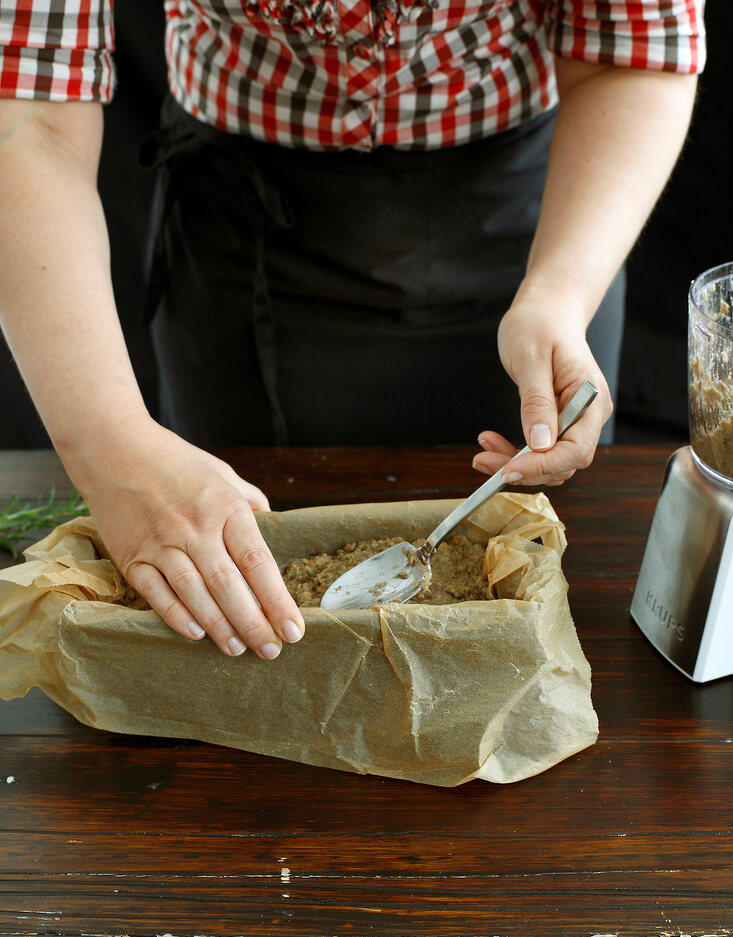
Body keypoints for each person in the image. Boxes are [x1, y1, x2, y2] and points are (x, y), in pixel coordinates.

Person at [0, 0, 703, 660]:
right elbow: (26, 118)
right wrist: (111, 444)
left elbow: (630, 50)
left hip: (540, 227)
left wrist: (558, 294)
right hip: (240, 243)